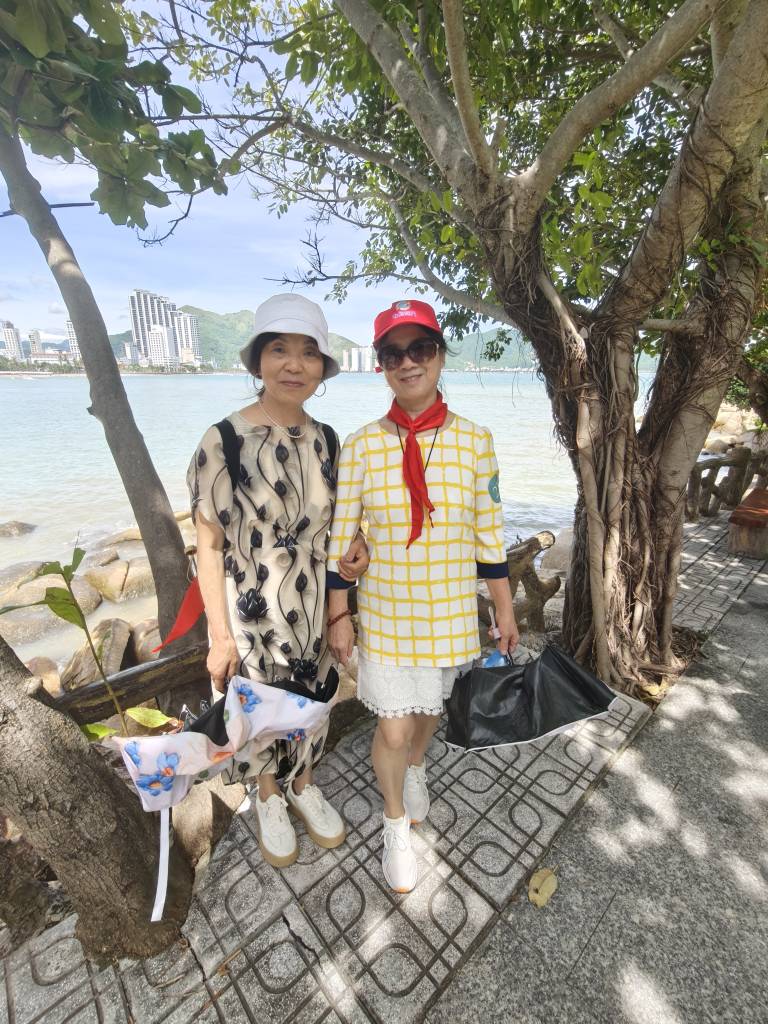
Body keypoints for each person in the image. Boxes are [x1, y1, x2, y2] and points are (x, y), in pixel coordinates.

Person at [325, 299, 518, 894]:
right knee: (391, 728)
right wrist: (339, 612)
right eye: (393, 354)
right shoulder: (360, 445)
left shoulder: (476, 441)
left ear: (439, 355)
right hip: (386, 613)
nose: (408, 363)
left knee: (429, 711)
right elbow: (341, 539)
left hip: (450, 611)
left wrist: (504, 609)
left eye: (420, 349)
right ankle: (394, 826)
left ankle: (416, 767)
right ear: (380, 365)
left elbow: (488, 535)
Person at [187, 293, 369, 869]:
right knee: (263, 708)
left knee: (316, 700)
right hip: (254, 614)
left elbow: (338, 533)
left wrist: (348, 580)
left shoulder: (328, 440)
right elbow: (208, 545)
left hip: (314, 606)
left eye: (309, 352)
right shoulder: (224, 440)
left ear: (323, 367)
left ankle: (303, 784)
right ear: (258, 361)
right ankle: (267, 795)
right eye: (279, 349)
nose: (295, 364)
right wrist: (219, 637)